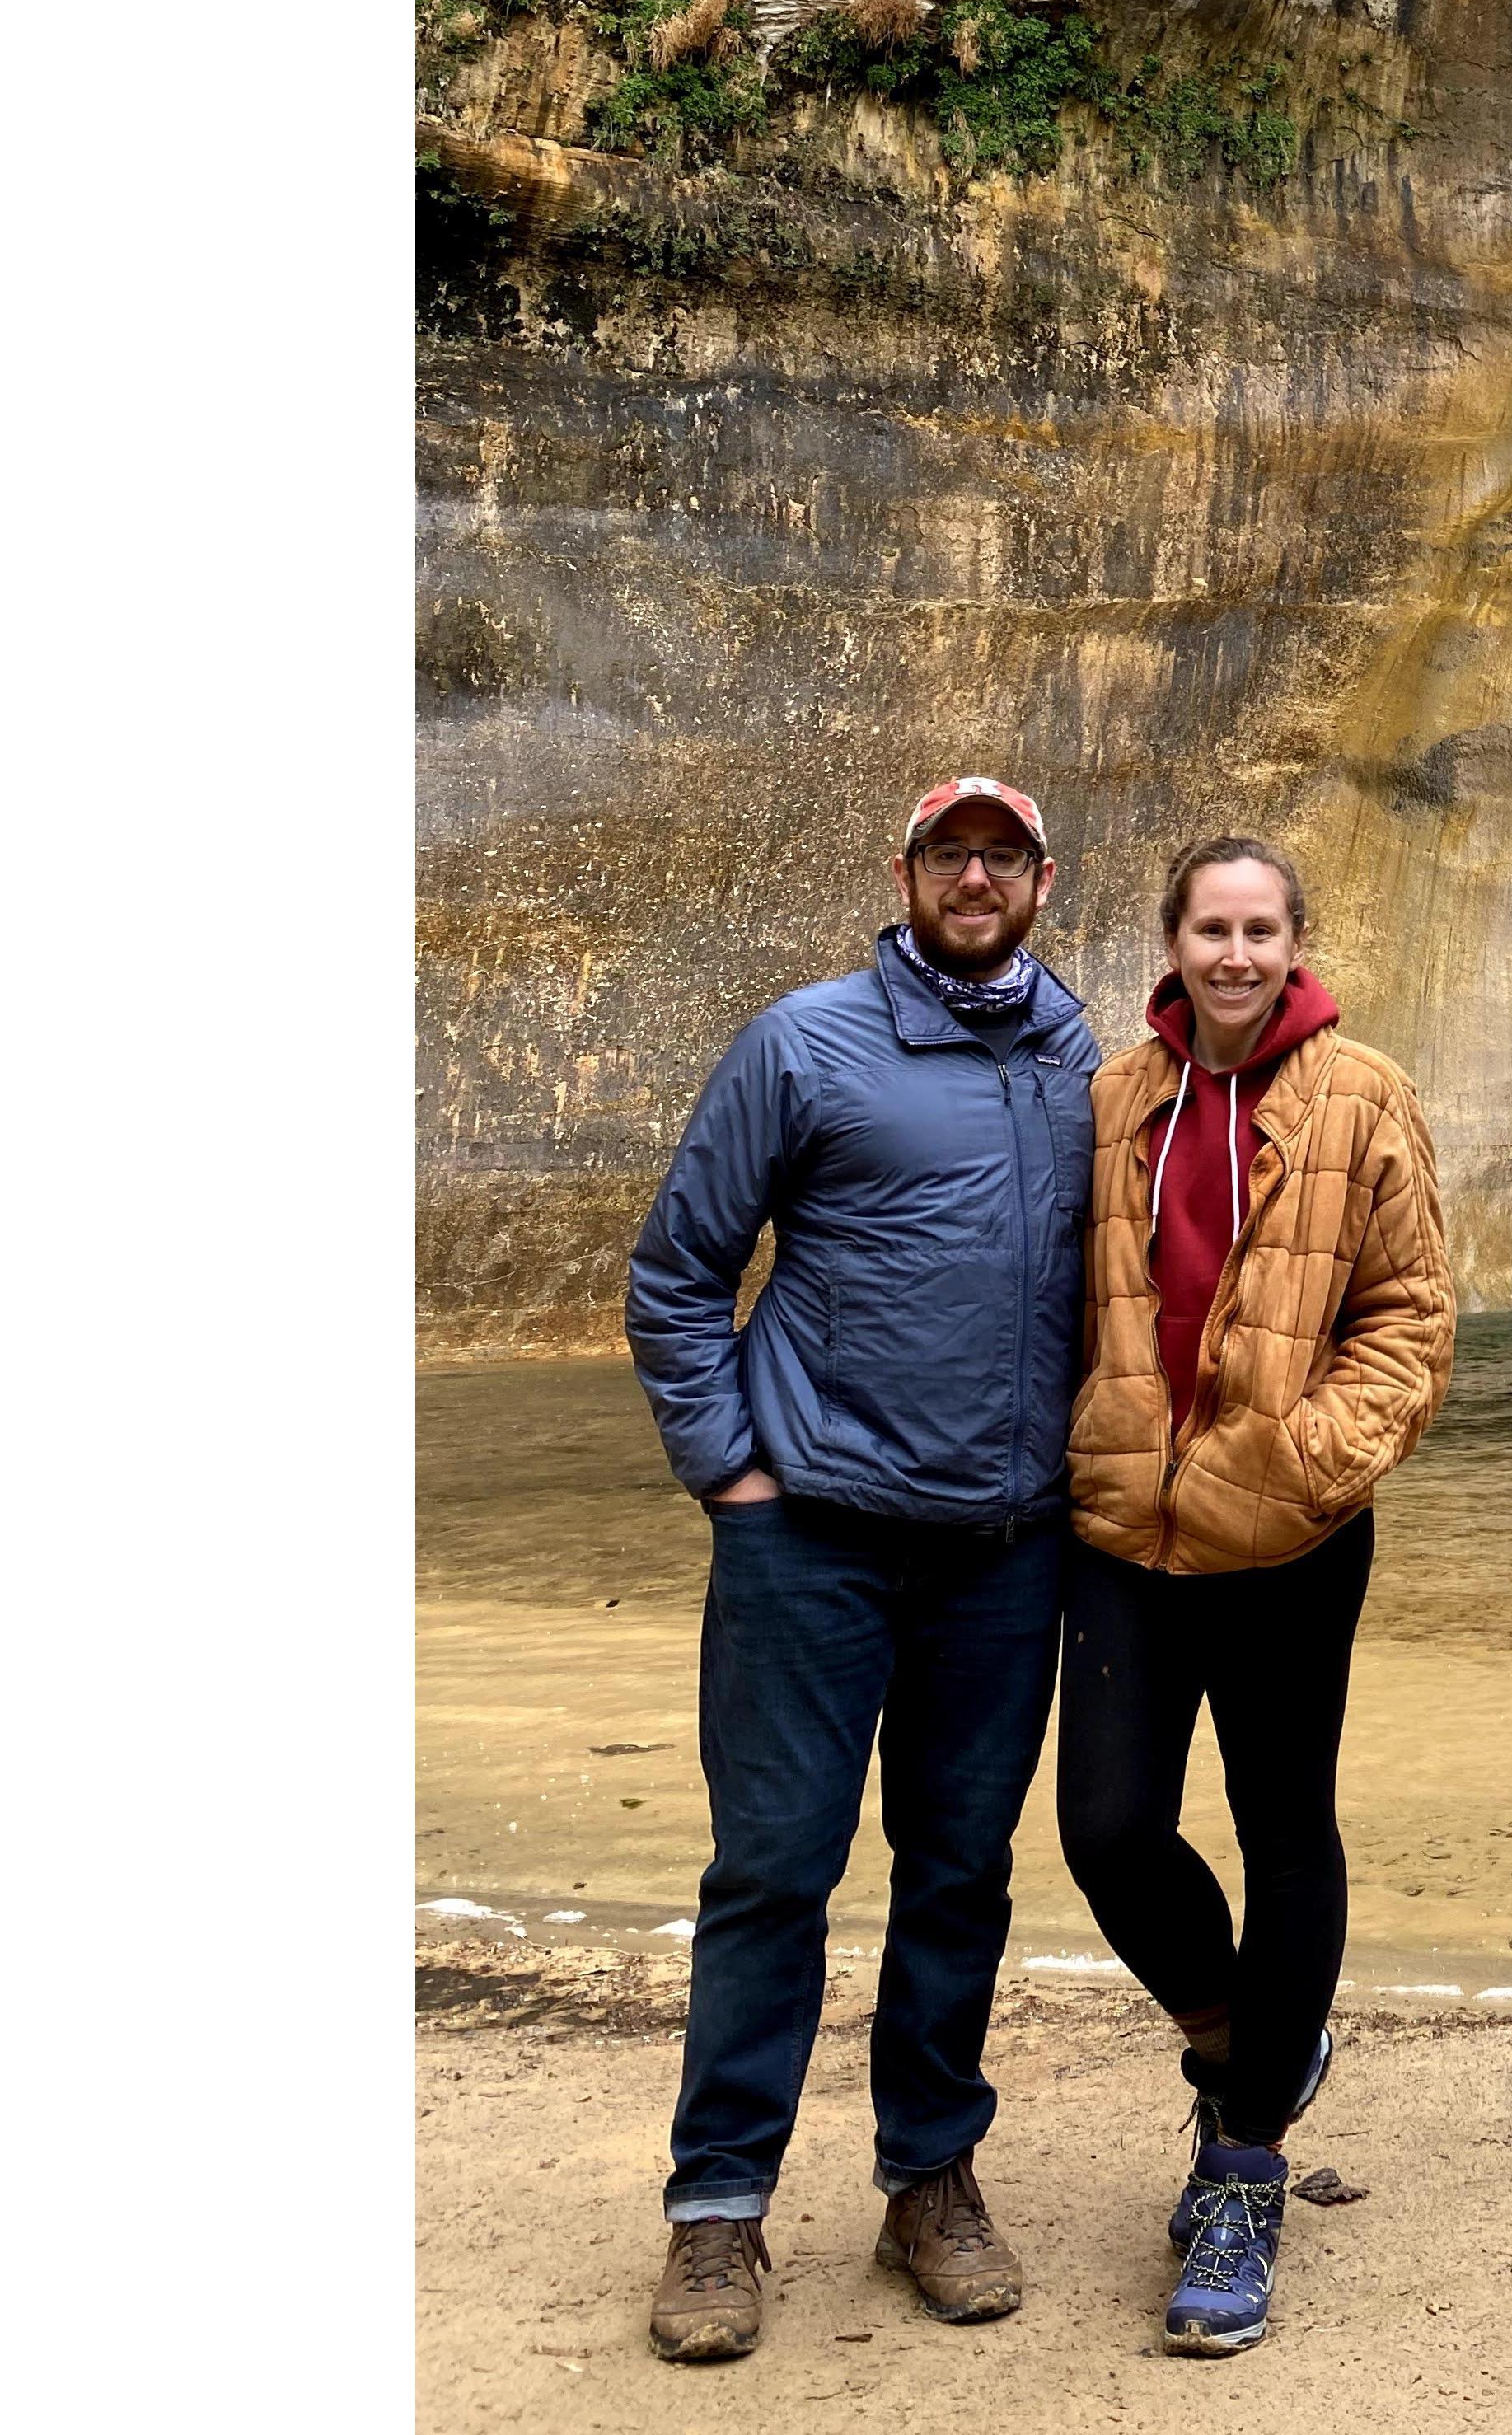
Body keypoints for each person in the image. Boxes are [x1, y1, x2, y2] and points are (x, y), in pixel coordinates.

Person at [621, 779, 1098, 2364]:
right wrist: (732, 1473)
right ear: (905, 875)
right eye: (950, 853)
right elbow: (679, 1270)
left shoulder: (1088, 1060)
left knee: (960, 1873)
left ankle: (929, 2183)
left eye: (1003, 854)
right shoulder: (804, 1041)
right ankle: (716, 2212)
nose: (977, 875)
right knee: (774, 1874)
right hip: (811, 1536)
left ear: (1043, 880)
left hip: (1006, 1546)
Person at [1056, 835, 1455, 2355]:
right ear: (1173, 943)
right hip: (1126, 1533)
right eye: (1211, 929)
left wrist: (1299, 1463)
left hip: (1290, 1537)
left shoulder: (1365, 1099)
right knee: (1105, 1826)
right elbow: (1065, 1303)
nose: (1235, 953)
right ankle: (1247, 2052)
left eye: (1260, 929)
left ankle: (1242, 2175)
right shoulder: (1113, 1100)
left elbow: (1412, 1317)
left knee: (1286, 1830)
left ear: (1296, 944)